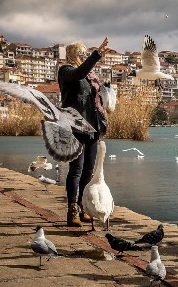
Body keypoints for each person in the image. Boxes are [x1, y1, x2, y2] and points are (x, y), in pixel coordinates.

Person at [58, 37, 110, 227]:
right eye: (81, 53)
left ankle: (82, 205)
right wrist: (96, 54)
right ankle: (72, 210)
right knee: (76, 170)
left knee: (89, 169)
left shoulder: (89, 76)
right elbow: (79, 73)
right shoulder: (66, 71)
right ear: (73, 54)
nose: (83, 55)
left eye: (85, 53)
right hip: (75, 127)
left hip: (92, 128)